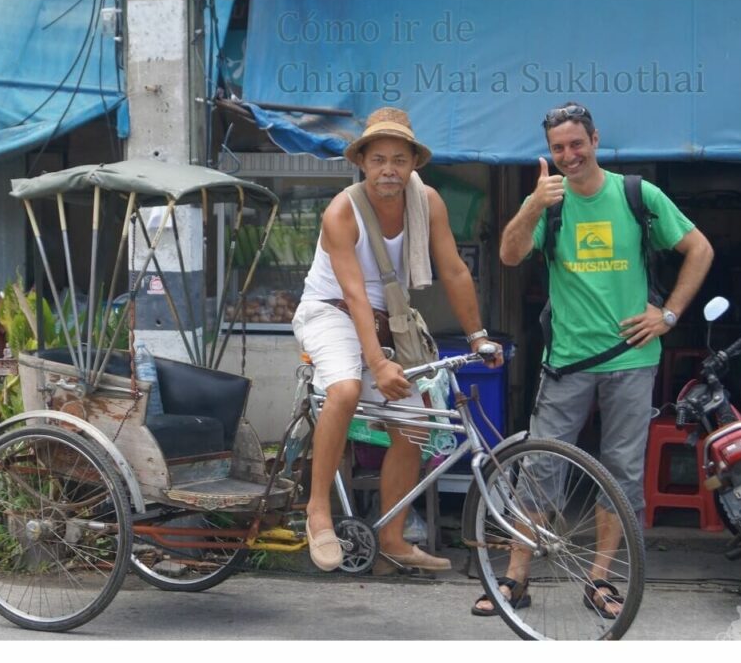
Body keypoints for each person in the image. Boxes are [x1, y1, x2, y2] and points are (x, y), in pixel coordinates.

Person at [472, 102, 713, 617]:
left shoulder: (636, 194)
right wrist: (533, 205)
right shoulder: (549, 202)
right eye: (558, 148)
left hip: (631, 359)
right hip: (566, 363)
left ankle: (600, 579)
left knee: (622, 472)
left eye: (576, 144)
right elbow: (509, 255)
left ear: (595, 140)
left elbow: (700, 249)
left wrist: (669, 314)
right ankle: (516, 577)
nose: (569, 155)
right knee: (539, 467)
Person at [292, 107, 503, 573]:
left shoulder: (427, 203)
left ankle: (391, 538)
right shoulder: (341, 211)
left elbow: (454, 270)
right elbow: (353, 294)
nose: (389, 169)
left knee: (415, 425)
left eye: (399, 160)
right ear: (362, 163)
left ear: (413, 164)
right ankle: (318, 511)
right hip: (329, 311)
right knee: (345, 388)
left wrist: (478, 337)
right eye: (379, 159)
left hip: (389, 318)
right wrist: (377, 362)